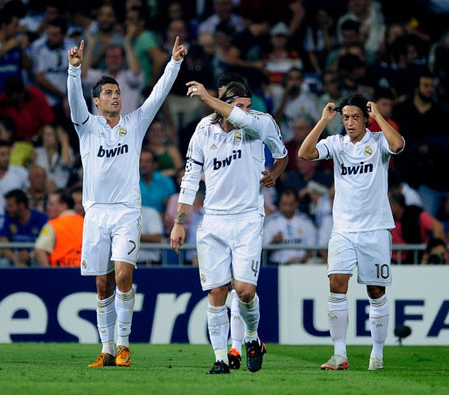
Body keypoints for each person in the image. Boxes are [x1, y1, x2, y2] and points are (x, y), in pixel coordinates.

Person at [67, 37, 186, 367]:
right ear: (96, 101)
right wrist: (74, 71)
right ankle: (105, 350)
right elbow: (74, 102)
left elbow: (158, 95)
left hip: (126, 212)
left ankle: (123, 345)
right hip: (95, 214)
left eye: (118, 93)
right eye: (108, 93)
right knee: (102, 284)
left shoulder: (134, 124)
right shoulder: (86, 126)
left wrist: (174, 62)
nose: (115, 97)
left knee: (122, 276)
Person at [170, 80, 288, 374]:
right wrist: (179, 222)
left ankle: (251, 337)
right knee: (217, 292)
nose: (247, 112)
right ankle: (221, 358)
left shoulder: (259, 124)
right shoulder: (203, 130)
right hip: (213, 221)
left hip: (248, 219)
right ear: (224, 106)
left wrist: (274, 172)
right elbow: (189, 179)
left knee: (245, 290)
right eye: (240, 106)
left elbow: (283, 154)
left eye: (249, 106)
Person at [298, 94, 405, 371]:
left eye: (355, 117)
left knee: (375, 290)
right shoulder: (336, 144)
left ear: (365, 119)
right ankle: (339, 354)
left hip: (375, 228)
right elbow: (305, 153)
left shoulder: (378, 141)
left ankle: (377, 354)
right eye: (345, 117)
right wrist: (323, 121)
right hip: (343, 229)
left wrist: (379, 117)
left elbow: (399, 144)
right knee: (336, 283)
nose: (349, 122)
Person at [0, 188, 48, 267]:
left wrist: (31, 256)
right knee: (3, 263)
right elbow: (3, 245)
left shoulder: (41, 218)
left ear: (21, 206)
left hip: (35, 258)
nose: (7, 209)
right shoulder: (5, 217)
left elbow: (47, 244)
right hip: (14, 259)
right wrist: (16, 260)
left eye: (10, 206)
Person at [34, 190, 84, 267]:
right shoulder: (85, 223)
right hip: (85, 271)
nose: (47, 207)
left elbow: (39, 250)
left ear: (63, 206)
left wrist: (48, 273)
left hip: (61, 273)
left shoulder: (53, 225)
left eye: (51, 204)